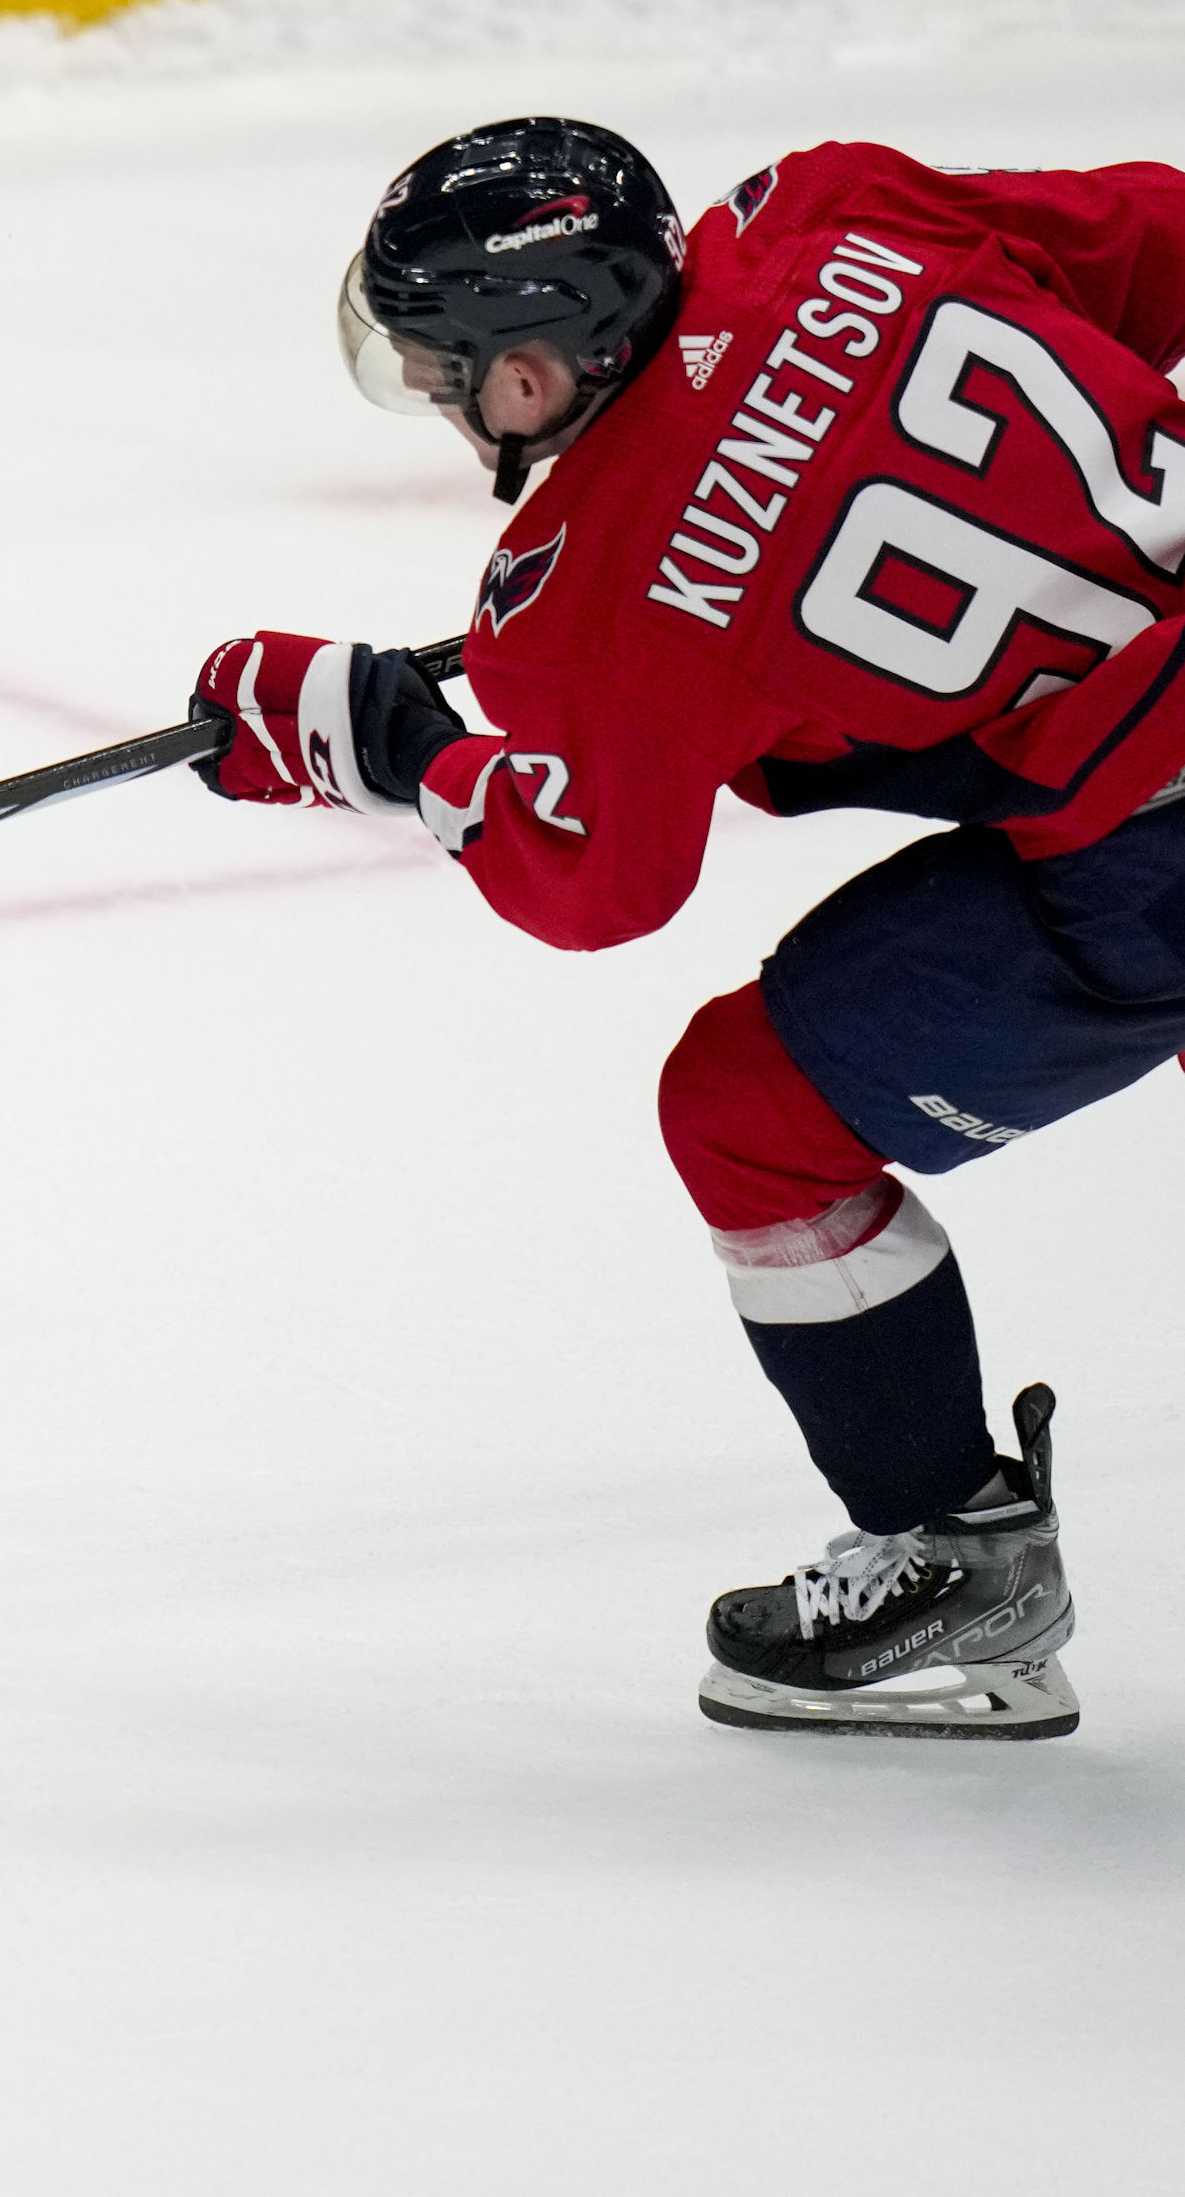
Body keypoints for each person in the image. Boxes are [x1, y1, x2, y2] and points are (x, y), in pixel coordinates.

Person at [191, 117, 1185, 1739]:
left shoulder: (582, 595)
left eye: (446, 369)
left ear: (529, 370)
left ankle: (951, 1544)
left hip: (1152, 853)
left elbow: (591, 882)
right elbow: (1159, 243)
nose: (442, 401)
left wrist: (383, 752)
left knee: (746, 1118)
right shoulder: (832, 204)